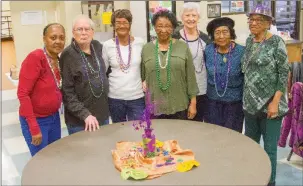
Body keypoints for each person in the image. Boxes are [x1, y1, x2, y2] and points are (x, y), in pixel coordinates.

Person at [241, 4, 289, 186]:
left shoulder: (277, 42)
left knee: (269, 150)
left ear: (268, 23)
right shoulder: (249, 41)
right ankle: (253, 179)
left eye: (257, 20)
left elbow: (284, 74)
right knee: (251, 147)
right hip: (250, 105)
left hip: (271, 105)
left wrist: (275, 102)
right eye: (250, 19)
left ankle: (270, 182)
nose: (252, 23)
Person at [141, 8, 198, 120]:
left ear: (173, 28)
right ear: (154, 27)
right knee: (156, 137)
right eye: (159, 26)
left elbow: (191, 78)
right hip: (154, 107)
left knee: (179, 136)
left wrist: (193, 103)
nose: (163, 30)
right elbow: (143, 75)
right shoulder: (146, 49)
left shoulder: (183, 47)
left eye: (167, 26)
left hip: (179, 105)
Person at [17, 23, 65, 156]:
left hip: (54, 118)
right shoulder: (36, 57)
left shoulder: (59, 60)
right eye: (53, 37)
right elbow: (23, 93)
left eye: (61, 38)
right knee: (40, 161)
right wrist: (33, 127)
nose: (58, 41)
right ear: (44, 39)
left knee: (54, 156)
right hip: (36, 120)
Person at [60, 15, 109, 135]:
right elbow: (67, 92)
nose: (83, 33)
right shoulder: (67, 55)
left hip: (102, 116)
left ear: (93, 32)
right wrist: (85, 115)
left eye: (87, 29)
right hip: (80, 121)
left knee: (102, 150)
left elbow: (107, 71)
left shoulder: (98, 47)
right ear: (73, 32)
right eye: (79, 29)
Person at [102, 9, 145, 123]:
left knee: (138, 130)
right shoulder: (107, 45)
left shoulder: (140, 43)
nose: (122, 26)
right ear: (113, 25)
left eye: (125, 22)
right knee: (118, 132)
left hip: (136, 97)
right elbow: (103, 71)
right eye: (118, 23)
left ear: (130, 24)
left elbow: (145, 67)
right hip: (115, 97)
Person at [204, 17, 245, 133]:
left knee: (232, 137)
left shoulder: (242, 51)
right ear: (212, 36)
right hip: (212, 103)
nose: (221, 36)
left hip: (235, 104)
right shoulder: (208, 50)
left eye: (225, 32)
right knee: (213, 135)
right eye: (217, 33)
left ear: (231, 33)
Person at [172, 2, 211, 122]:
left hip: (202, 89)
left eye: (194, 15)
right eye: (187, 15)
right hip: (180, 90)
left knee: (198, 126)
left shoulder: (206, 39)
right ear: (181, 17)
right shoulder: (174, 38)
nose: (191, 19)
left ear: (198, 18)